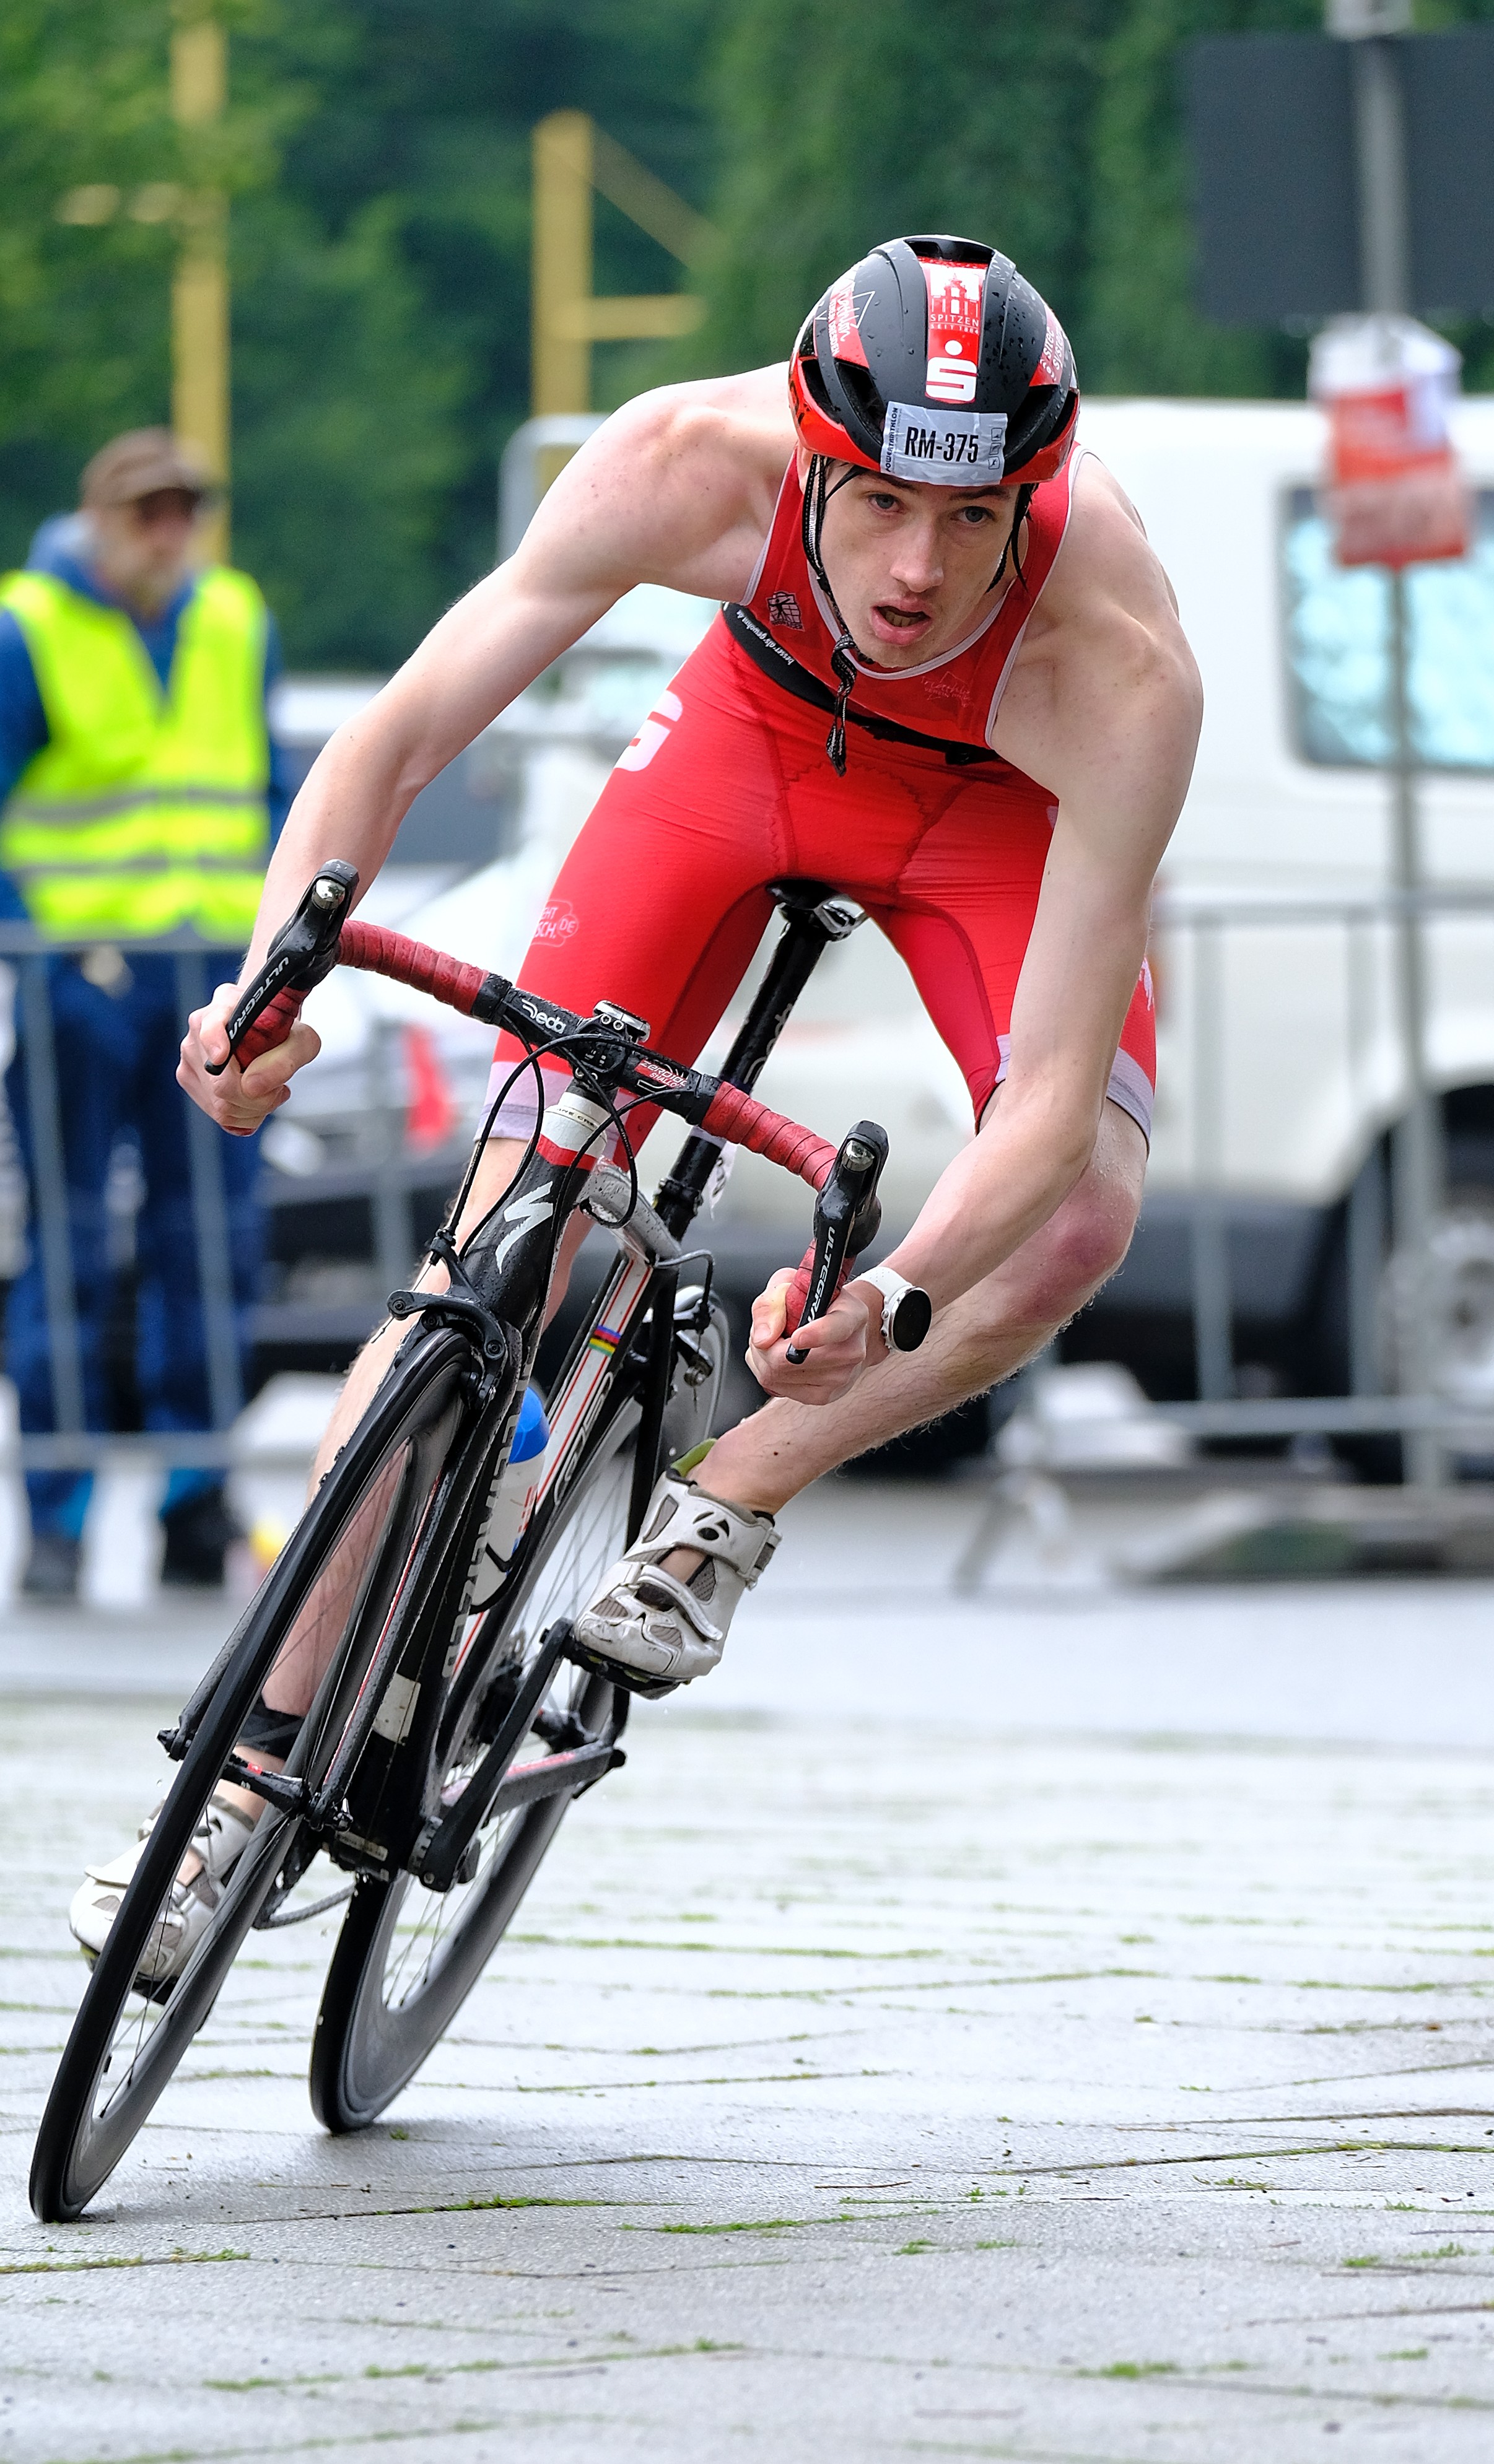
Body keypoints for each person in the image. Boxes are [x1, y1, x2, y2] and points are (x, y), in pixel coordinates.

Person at [74, 236, 1200, 1970]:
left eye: (970, 519)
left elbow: (1046, 1099)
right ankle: (234, 1790)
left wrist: (891, 1294)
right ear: (811, 459)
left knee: (1084, 1214)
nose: (917, 567)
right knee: (492, 1243)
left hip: (997, 804)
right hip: (751, 741)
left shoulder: (1118, 657)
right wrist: (263, 991)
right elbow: (396, 738)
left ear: (1030, 498)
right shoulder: (684, 459)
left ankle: (727, 1499)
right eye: (879, 503)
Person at [0, 429, 292, 1599]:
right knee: (71, 1245)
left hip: (214, 978)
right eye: (147, 512)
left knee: (209, 1246)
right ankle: (58, 1513)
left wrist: (281, 951)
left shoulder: (233, 617)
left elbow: (272, 788)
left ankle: (192, 1498)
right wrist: (48, 950)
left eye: (185, 510)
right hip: (80, 980)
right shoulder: (29, 625)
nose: (169, 533)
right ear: (98, 518)